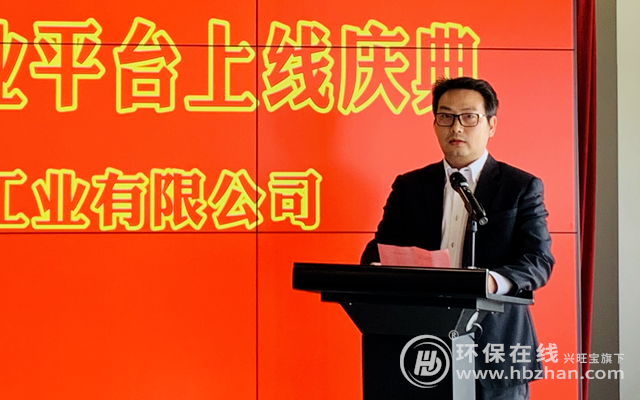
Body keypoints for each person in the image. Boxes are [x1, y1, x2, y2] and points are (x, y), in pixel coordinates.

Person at [360, 77, 554, 400]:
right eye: (446, 116)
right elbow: (377, 252)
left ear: (491, 125)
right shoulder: (410, 187)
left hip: (495, 352)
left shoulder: (520, 187)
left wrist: (492, 282)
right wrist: (385, 270)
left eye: (469, 117)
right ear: (434, 123)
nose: (456, 127)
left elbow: (538, 260)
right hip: (421, 348)